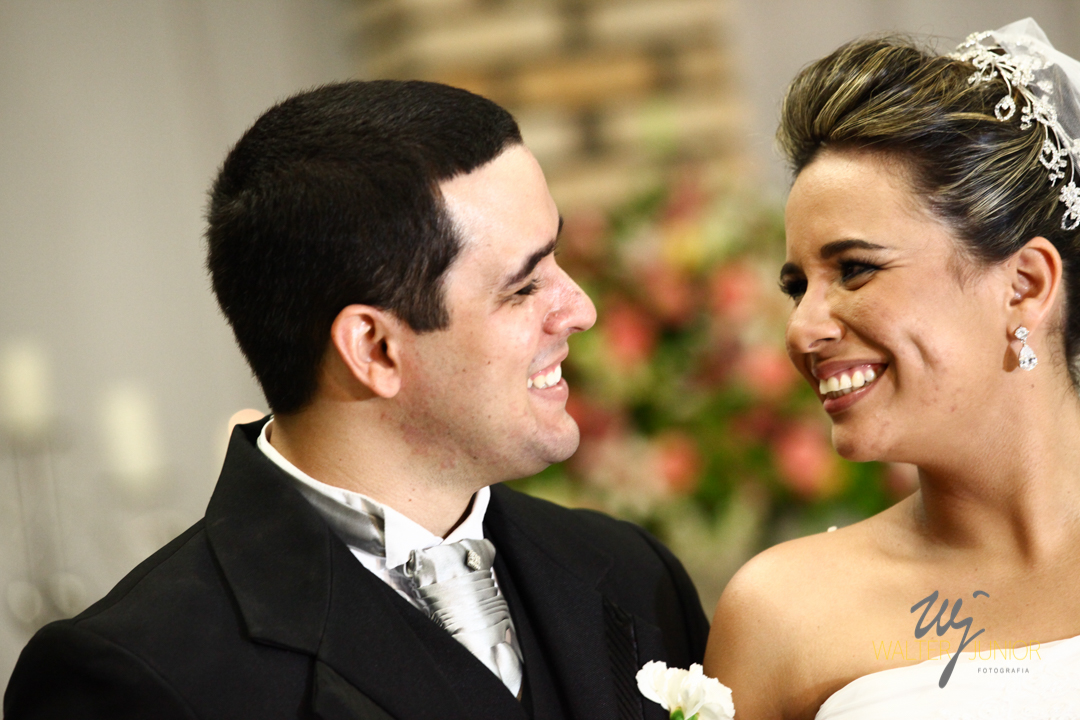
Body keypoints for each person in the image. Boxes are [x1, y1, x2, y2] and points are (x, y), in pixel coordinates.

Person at [5, 80, 709, 719]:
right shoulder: (134, 678)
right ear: (373, 349)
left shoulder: (633, 574)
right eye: (524, 288)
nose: (579, 310)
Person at [704, 18, 1080, 719]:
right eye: (797, 286)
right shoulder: (782, 616)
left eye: (854, 269)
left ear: (1025, 284)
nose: (803, 329)